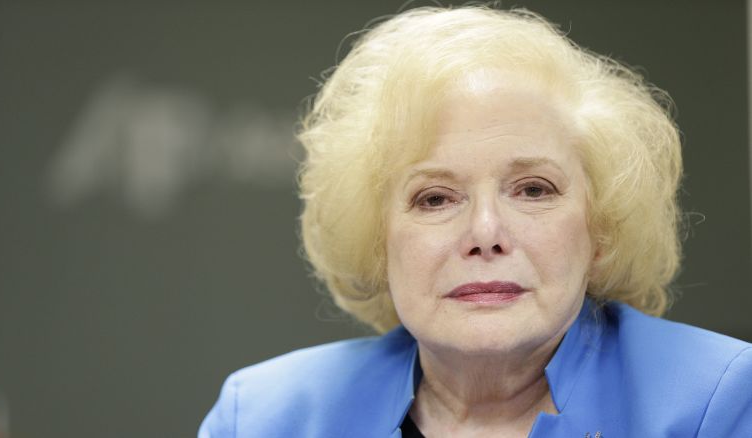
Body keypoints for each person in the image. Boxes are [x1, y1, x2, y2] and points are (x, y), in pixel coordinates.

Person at [199, 6, 752, 437]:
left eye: (533, 189)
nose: (485, 233)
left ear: (600, 230)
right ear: (377, 240)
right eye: (435, 199)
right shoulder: (262, 417)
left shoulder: (719, 401)